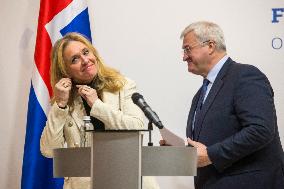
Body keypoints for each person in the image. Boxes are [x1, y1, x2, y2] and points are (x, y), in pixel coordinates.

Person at [40, 32, 159, 189]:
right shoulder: (65, 99)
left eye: (86, 52)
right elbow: (49, 150)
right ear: (66, 71)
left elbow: (137, 127)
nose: (84, 60)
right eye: (74, 59)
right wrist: (60, 105)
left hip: (128, 179)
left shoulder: (122, 85)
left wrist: (97, 105)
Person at [178, 21, 284, 188]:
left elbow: (260, 130)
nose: (184, 56)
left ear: (210, 45)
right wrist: (180, 151)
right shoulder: (200, 94)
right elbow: (208, 143)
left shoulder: (245, 76)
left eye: (187, 49)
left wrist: (211, 155)